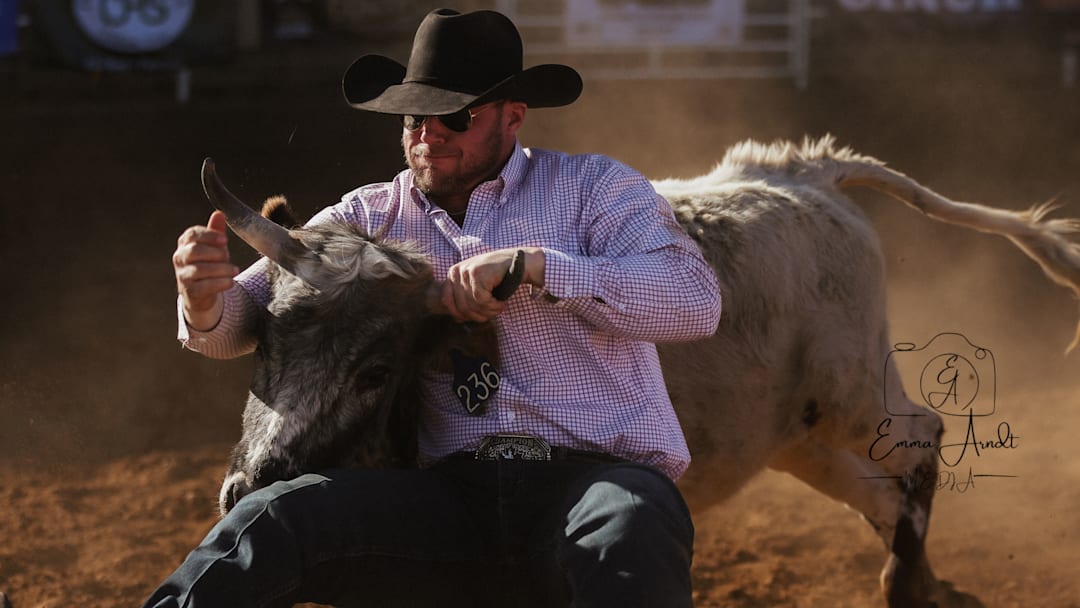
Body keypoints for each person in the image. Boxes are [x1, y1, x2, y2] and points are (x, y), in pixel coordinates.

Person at [150, 8, 721, 608]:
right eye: (415, 115)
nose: (429, 133)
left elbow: (693, 302)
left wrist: (537, 267)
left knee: (630, 524)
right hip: (446, 500)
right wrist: (204, 297)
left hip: (593, 480)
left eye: (455, 114)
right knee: (273, 519)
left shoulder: (597, 190)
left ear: (513, 116)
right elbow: (244, 325)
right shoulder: (368, 216)